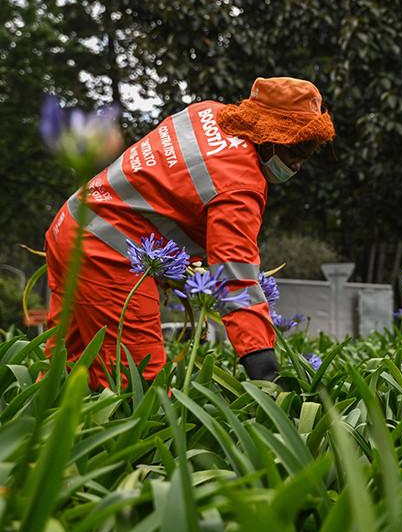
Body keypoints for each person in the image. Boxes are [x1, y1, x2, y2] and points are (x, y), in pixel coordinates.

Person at [44, 77, 335, 389]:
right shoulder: (239, 184)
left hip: (70, 224)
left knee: (67, 368)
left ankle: (45, 431)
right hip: (106, 256)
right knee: (142, 390)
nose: (298, 165)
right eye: (294, 152)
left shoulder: (205, 113)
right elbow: (235, 277)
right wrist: (263, 367)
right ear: (269, 136)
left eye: (306, 154)